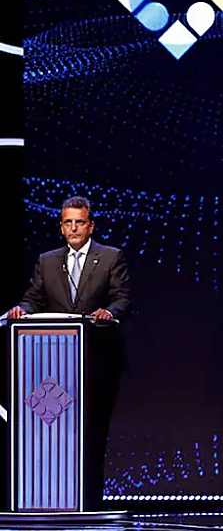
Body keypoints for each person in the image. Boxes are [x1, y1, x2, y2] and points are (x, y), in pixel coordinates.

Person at [6, 196, 131, 507]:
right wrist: (21, 310)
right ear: (61, 227)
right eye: (68, 222)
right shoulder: (47, 261)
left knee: (93, 434)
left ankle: (89, 502)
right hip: (53, 364)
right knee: (55, 432)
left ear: (90, 225)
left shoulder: (111, 257)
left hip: (98, 361)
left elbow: (122, 298)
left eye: (79, 222)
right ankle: (51, 499)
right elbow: (32, 299)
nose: (74, 228)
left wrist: (109, 313)